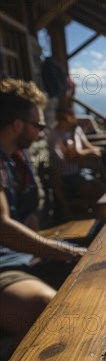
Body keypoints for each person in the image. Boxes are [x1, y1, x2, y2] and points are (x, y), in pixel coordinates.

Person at [0, 79, 86, 346]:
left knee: (95, 268)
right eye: (37, 125)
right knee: (45, 308)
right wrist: (62, 250)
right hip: (4, 265)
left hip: (20, 256)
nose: (40, 131)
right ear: (17, 125)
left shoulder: (18, 157)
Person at [48, 109, 106, 201]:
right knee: (104, 192)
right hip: (68, 177)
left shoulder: (68, 131)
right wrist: (74, 134)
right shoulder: (56, 136)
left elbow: (83, 149)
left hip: (78, 172)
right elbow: (73, 156)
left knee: (102, 173)